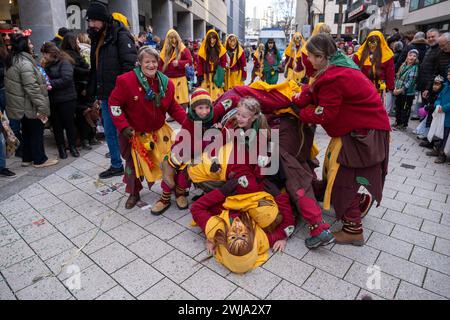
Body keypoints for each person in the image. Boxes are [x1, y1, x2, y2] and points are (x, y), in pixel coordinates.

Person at [293, 34, 391, 246]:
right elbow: (314, 92)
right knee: (333, 167)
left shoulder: (335, 77)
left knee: (343, 178)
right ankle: (358, 202)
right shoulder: (335, 67)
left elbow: (324, 113)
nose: (307, 59)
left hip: (363, 133)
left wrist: (300, 114)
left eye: (309, 55)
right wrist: (299, 98)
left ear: (320, 56)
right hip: (357, 130)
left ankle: (353, 230)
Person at [108, 46, 187, 210]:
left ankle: (173, 187)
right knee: (132, 164)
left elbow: (173, 107)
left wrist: (189, 124)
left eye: (154, 61)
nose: (151, 65)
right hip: (134, 133)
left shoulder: (166, 83)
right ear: (139, 63)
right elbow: (114, 105)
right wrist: (123, 127)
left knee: (170, 160)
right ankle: (134, 192)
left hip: (159, 131)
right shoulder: (126, 81)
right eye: (147, 62)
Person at [191, 178, 295, 273]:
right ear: (251, 239)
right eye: (244, 236)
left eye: (233, 237)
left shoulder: (216, 229)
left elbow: (196, 208)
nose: (238, 229)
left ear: (225, 240)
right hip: (262, 191)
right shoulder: (259, 239)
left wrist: (222, 191)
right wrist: (279, 197)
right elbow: (287, 226)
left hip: (229, 188)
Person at [86, 1, 137, 179]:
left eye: (94, 21)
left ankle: (136, 162)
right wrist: (94, 93)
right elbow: (96, 68)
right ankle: (116, 164)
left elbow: (129, 66)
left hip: (120, 95)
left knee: (125, 130)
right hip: (106, 95)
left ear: (103, 20)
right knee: (109, 130)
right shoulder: (97, 37)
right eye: (89, 21)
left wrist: (124, 93)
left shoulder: (121, 35)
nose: (91, 25)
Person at [4, 34, 58, 168]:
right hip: (29, 104)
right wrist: (42, 106)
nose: (32, 45)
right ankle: (40, 159)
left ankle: (27, 158)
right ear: (24, 46)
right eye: (29, 43)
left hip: (21, 105)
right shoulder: (25, 63)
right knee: (36, 132)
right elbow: (32, 88)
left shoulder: (13, 60)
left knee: (27, 132)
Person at [41, 42, 79, 159]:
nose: (44, 57)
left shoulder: (65, 62)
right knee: (56, 126)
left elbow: (66, 79)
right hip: (53, 100)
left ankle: (72, 146)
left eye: (44, 54)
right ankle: (61, 148)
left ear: (50, 53)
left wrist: (49, 84)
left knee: (69, 124)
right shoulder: (47, 66)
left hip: (67, 99)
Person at [61, 33, 95, 151]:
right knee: (83, 113)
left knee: (82, 113)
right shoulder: (68, 56)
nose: (78, 43)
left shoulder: (68, 54)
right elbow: (77, 70)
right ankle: (85, 138)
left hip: (77, 88)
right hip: (79, 88)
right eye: (76, 40)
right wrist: (87, 71)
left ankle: (85, 137)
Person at [353, 31, 395, 103]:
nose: (372, 45)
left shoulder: (387, 56)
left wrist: (390, 87)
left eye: (374, 42)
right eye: (371, 42)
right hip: (364, 88)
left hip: (377, 88)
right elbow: (354, 73)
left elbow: (390, 73)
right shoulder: (359, 55)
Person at [159, 29, 193, 110]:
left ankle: (182, 112)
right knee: (171, 97)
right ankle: (173, 113)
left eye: (174, 37)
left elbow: (190, 61)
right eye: (171, 38)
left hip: (180, 78)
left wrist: (179, 63)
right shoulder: (165, 50)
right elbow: (160, 63)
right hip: (169, 78)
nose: (173, 40)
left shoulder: (183, 49)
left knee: (182, 98)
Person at [427, 66, 450, 164]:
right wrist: (438, 104)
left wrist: (444, 108)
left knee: (445, 135)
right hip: (441, 114)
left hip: (448, 116)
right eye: (448, 74)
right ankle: (437, 149)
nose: (449, 76)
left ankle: (442, 154)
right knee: (439, 132)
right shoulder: (446, 85)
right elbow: (439, 97)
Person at [197, 30, 227, 102]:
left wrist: (221, 75)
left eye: (214, 38)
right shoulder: (203, 50)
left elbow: (223, 64)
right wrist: (200, 75)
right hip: (205, 76)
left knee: (217, 96)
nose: (212, 41)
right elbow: (200, 64)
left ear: (216, 39)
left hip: (216, 75)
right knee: (204, 96)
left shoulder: (221, 50)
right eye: (210, 39)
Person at [393, 49, 419, 130]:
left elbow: (410, 82)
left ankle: (403, 124)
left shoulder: (414, 68)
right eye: (410, 55)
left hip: (407, 93)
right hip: (398, 90)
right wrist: (395, 88)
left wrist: (401, 90)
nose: (412, 57)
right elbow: (398, 77)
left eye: (414, 56)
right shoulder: (403, 65)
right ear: (407, 56)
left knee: (405, 109)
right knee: (398, 107)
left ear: (416, 58)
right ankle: (397, 121)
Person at [419, 75, 444, 148]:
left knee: (433, 126)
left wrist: (428, 107)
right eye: (434, 84)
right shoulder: (432, 92)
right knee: (429, 124)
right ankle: (428, 138)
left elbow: (436, 105)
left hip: (436, 113)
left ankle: (431, 142)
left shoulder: (440, 94)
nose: (435, 86)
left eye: (437, 85)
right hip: (431, 113)